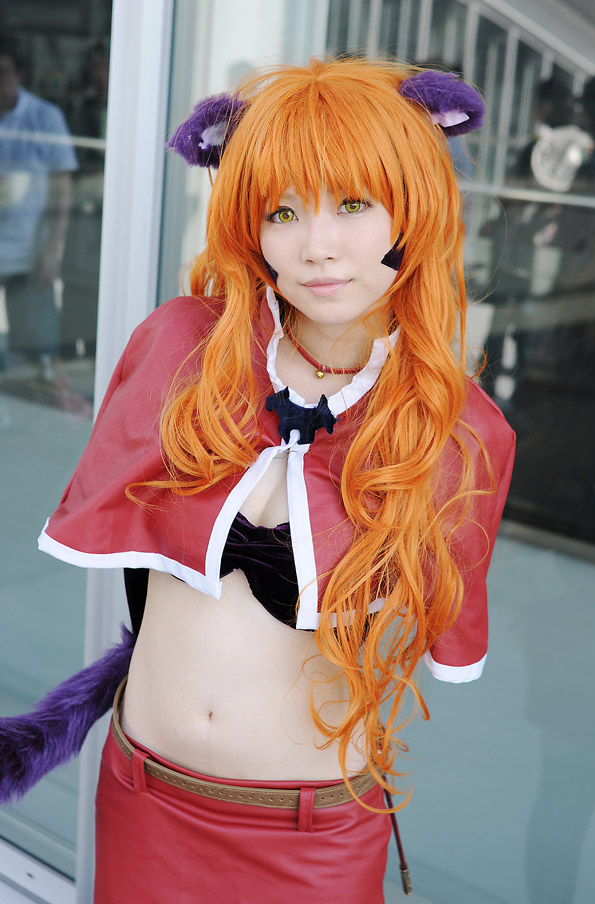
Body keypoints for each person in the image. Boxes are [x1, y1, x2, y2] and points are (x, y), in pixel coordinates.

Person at [0, 59, 515, 903]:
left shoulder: (455, 428)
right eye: (283, 211)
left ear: (415, 207)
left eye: (354, 204)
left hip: (311, 837)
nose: (317, 246)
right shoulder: (180, 350)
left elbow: (419, 630)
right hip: (143, 797)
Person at [0, 35, 77, 377]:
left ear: (19, 74)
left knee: (35, 354)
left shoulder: (44, 117)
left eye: (3, 73)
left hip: (28, 253)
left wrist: (51, 251)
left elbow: (62, 191)